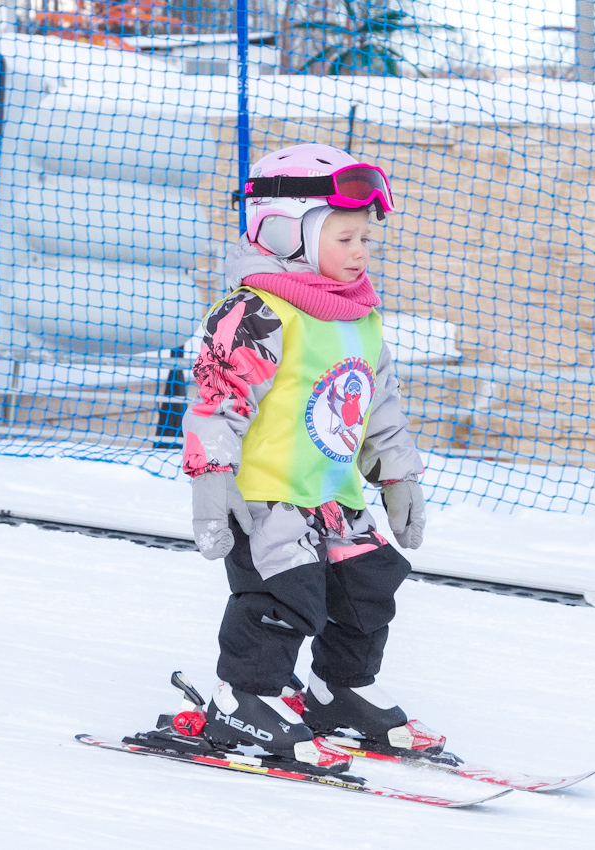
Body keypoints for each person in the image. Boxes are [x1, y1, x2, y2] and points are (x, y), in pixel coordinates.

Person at [179, 143, 433, 774]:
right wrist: (212, 480)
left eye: (365, 237)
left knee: (367, 591)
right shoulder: (256, 312)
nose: (361, 250)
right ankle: (244, 697)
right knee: (283, 599)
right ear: (284, 231)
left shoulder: (358, 317)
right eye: (345, 237)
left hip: (335, 497)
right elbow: (216, 402)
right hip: (267, 498)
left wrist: (398, 474)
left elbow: (379, 404)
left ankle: (339, 690)